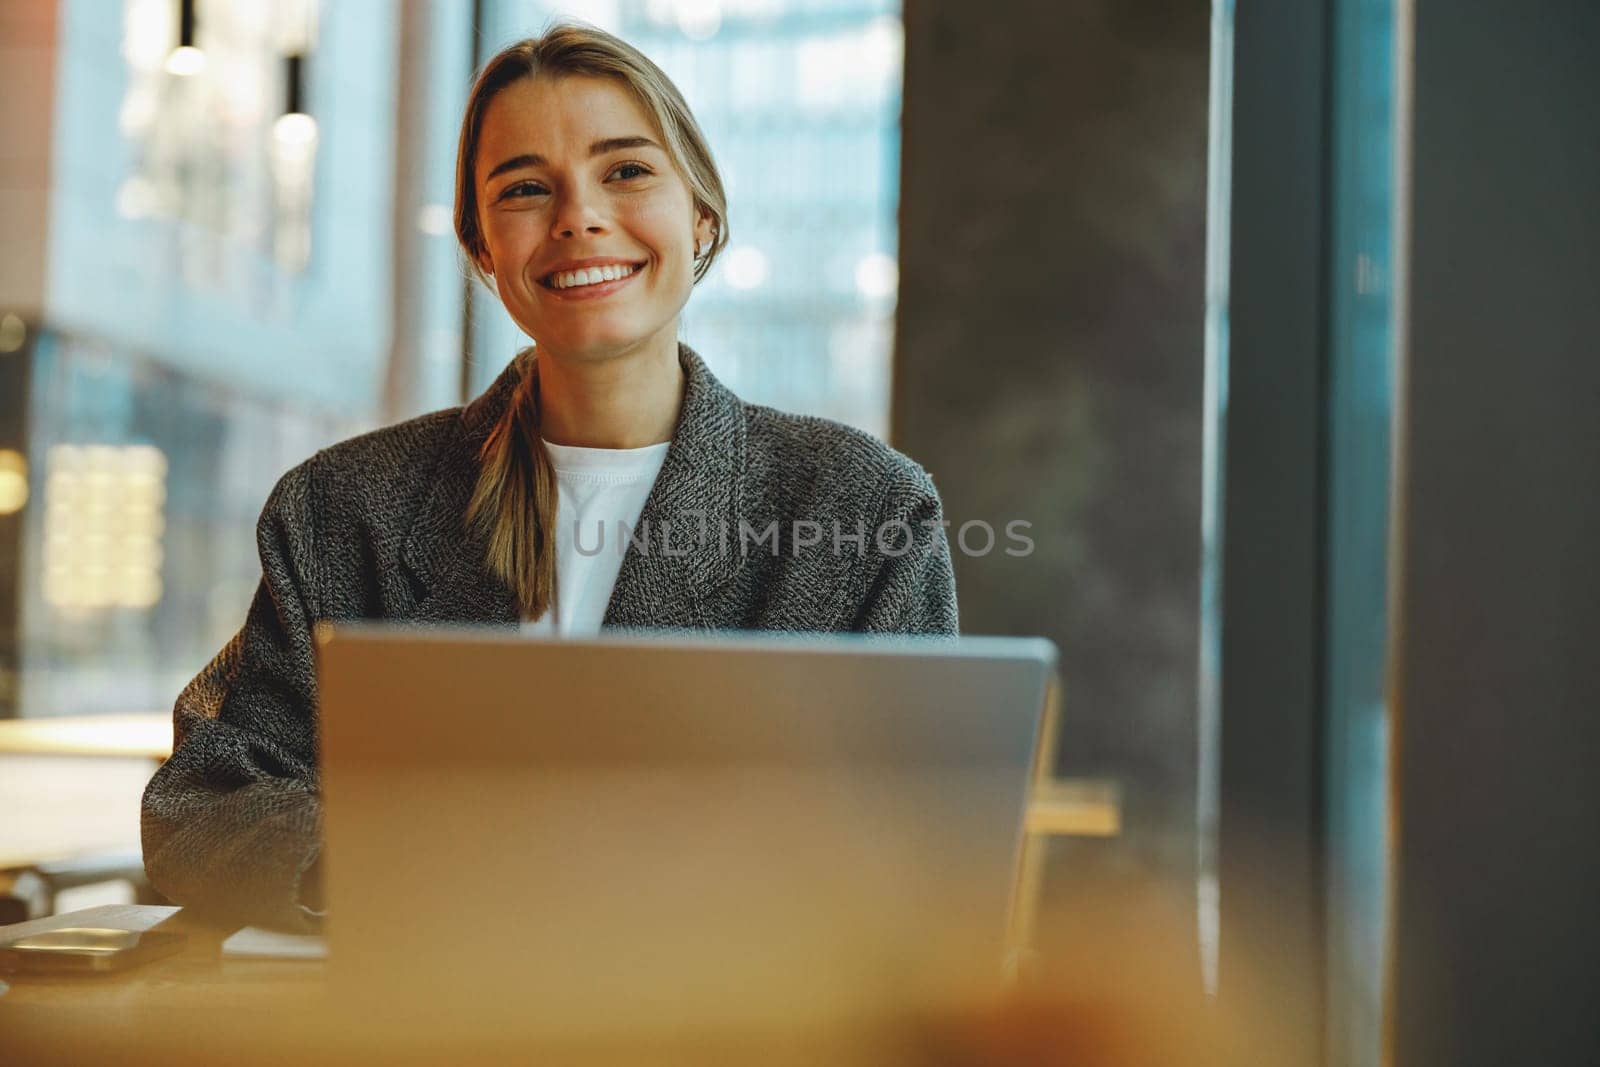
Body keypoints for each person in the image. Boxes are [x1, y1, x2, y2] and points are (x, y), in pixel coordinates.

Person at [141, 24, 957, 932]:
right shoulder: (342, 505)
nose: (578, 217)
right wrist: (440, 866)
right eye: (526, 189)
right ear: (483, 249)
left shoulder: (861, 505)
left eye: (627, 171)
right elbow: (205, 802)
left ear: (702, 217)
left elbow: (916, 848)